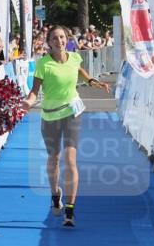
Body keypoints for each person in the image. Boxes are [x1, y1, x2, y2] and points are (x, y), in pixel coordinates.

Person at [23, 25, 110, 228]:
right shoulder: (43, 64)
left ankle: (70, 210)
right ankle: (55, 194)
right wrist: (28, 102)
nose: (59, 41)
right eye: (54, 38)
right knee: (54, 158)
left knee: (71, 159)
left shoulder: (74, 57)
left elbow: (78, 69)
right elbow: (34, 91)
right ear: (49, 42)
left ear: (67, 38)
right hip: (50, 116)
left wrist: (91, 80)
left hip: (72, 112)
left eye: (62, 37)